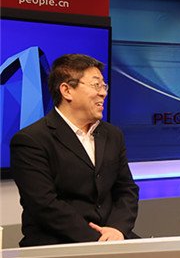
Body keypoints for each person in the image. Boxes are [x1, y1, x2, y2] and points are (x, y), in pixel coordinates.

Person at [10, 54, 139, 246]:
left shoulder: (113, 135)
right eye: (96, 85)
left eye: (104, 86)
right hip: (58, 243)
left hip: (112, 238)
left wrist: (117, 229)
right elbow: (44, 204)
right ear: (67, 90)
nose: (103, 93)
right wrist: (98, 241)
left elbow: (126, 189)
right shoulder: (31, 140)